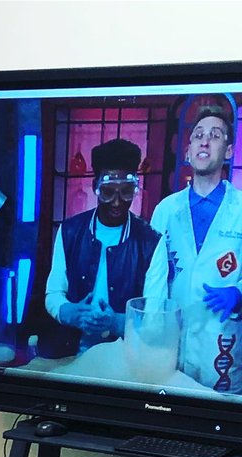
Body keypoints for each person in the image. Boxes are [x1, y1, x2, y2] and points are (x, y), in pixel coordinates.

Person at [143, 105, 242, 392]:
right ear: (188, 151)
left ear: (227, 151)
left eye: (215, 135)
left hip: (224, 349)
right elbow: (155, 281)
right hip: (171, 351)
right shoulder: (166, 210)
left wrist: (238, 295)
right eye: (198, 135)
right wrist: (151, 328)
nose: (204, 140)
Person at [39, 137, 159, 358]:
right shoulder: (70, 231)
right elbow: (54, 293)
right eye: (108, 191)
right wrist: (69, 313)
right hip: (70, 354)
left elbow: (155, 317)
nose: (116, 201)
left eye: (126, 191)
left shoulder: (151, 242)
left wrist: (115, 322)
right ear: (95, 187)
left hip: (124, 359)